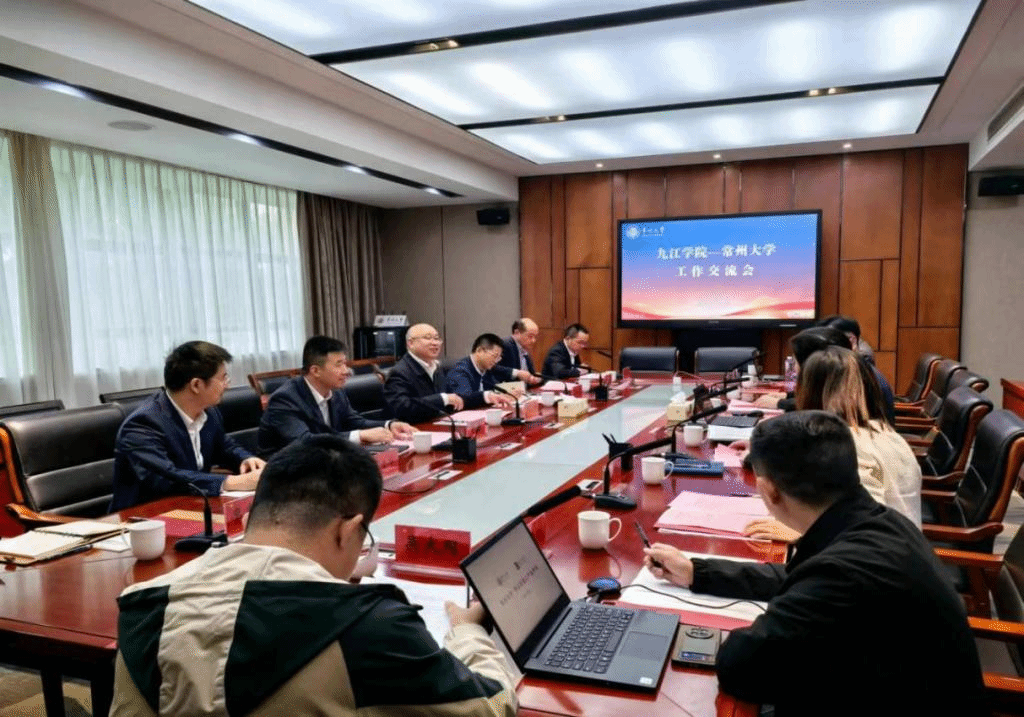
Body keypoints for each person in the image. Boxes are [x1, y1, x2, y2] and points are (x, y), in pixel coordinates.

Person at [109, 435, 517, 717]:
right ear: (347, 531)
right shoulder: (365, 625)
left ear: (249, 519)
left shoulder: (144, 605)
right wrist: (468, 632)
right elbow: (492, 706)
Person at [644, 411, 985, 716]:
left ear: (768, 490)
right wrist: (698, 572)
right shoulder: (874, 521)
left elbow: (741, 666)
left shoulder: (843, 574)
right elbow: (796, 578)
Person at [744, 346, 922, 542]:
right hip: (895, 546)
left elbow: (863, 528)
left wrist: (802, 535)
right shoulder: (878, 430)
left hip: (881, 553)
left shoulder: (854, 446)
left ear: (810, 392)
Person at [110, 341, 265, 511]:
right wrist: (232, 482)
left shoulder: (209, 413)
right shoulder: (143, 425)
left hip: (191, 508)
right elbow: (168, 478)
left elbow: (225, 447)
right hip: (144, 518)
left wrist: (246, 460)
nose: (227, 385)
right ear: (196, 385)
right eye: (223, 378)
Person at [257, 335, 414, 454]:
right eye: (339, 365)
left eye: (345, 363)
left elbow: (353, 421)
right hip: (286, 472)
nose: (346, 371)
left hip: (326, 461)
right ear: (315, 371)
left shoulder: (336, 391)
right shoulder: (286, 399)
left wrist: (389, 425)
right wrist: (360, 436)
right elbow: (304, 442)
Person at [384, 323, 465, 423]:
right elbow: (403, 408)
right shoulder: (399, 372)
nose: (435, 343)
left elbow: (453, 398)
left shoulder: (437, 368)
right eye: (428, 338)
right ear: (410, 343)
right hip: (415, 428)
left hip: (439, 424)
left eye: (436, 338)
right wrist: (442, 399)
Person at [445, 333, 520, 409]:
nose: (496, 361)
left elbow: (494, 388)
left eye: (498, 358)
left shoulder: (487, 369)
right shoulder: (460, 371)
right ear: (479, 350)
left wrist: (506, 392)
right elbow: (465, 397)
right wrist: (488, 396)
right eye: (494, 356)